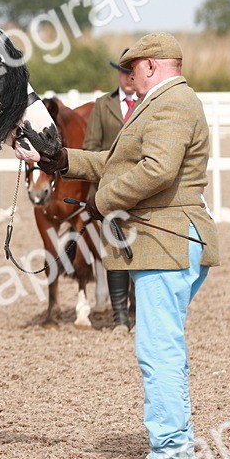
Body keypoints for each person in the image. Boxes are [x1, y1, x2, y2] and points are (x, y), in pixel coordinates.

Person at [35, 33, 220, 459]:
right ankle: (177, 438)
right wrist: (62, 161)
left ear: (152, 66)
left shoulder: (173, 104)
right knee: (163, 343)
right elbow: (116, 162)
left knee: (158, 348)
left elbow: (157, 170)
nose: (128, 77)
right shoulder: (161, 105)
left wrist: (102, 201)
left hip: (166, 242)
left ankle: (172, 448)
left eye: (133, 69)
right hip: (166, 242)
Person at [82, 50, 138, 331]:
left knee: (141, 251)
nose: (128, 78)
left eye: (133, 73)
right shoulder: (103, 105)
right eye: (123, 72)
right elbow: (91, 147)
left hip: (142, 190)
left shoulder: (149, 104)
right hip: (110, 192)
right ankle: (120, 318)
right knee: (116, 253)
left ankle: (137, 312)